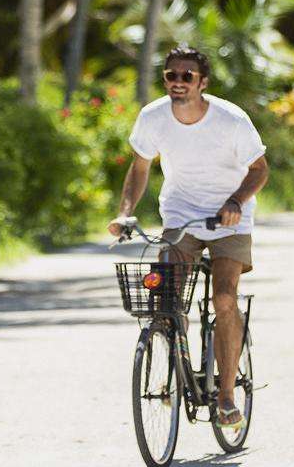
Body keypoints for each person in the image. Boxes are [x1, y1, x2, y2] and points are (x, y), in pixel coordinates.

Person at [108, 46, 269, 428]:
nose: (178, 83)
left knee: (224, 299)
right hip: (180, 217)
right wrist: (125, 212)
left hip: (229, 219)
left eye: (187, 76)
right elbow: (140, 167)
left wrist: (236, 200)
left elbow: (260, 169)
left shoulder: (230, 119)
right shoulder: (153, 117)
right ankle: (169, 371)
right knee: (164, 299)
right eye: (171, 76)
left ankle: (227, 396)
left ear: (202, 83)